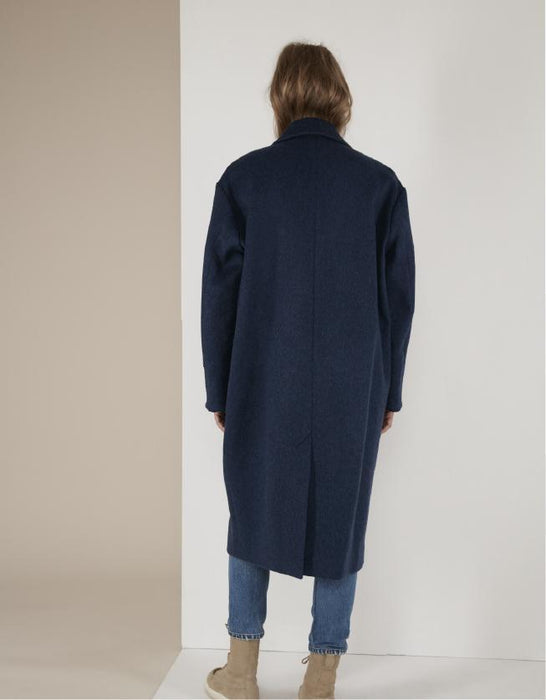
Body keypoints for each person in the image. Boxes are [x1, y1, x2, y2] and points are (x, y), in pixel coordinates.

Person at [200, 41, 415, 700]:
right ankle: (322, 675)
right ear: (339, 97)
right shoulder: (379, 186)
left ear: (281, 97)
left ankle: (241, 669)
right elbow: (398, 300)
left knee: (250, 509)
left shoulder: (244, 180)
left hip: (261, 374)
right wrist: (389, 389)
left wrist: (219, 387)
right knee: (341, 515)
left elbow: (219, 294)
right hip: (355, 379)